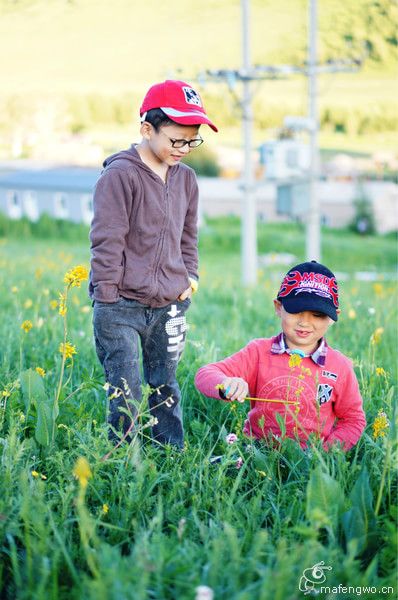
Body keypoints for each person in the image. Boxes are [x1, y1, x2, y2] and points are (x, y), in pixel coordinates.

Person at [89, 79, 218, 447]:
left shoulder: (187, 179)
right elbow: (107, 240)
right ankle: (122, 461)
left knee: (165, 384)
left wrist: (189, 278)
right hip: (121, 307)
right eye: (177, 140)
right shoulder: (120, 175)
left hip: (170, 304)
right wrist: (107, 298)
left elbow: (188, 236)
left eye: (192, 141)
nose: (185, 149)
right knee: (125, 390)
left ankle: (169, 455)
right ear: (147, 129)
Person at [195, 261, 366, 451]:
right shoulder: (258, 352)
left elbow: (353, 419)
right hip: (256, 452)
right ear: (278, 307)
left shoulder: (339, 366)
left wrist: (325, 455)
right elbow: (205, 374)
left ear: (333, 316)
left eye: (317, 315)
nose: (305, 322)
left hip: (308, 461)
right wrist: (226, 383)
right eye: (296, 311)